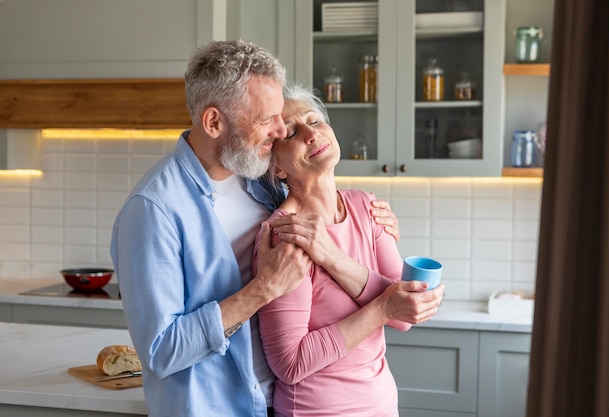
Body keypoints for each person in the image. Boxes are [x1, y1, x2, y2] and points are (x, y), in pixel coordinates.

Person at [109, 40, 401, 417]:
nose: (280, 130)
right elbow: (162, 352)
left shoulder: (260, 181)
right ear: (214, 122)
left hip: (275, 404)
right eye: (267, 119)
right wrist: (263, 289)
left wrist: (373, 221)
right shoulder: (153, 211)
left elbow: (315, 190)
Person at [252, 84, 445, 417]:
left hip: (381, 403)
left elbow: (404, 316)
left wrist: (331, 256)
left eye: (314, 120)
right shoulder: (285, 235)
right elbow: (291, 363)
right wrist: (382, 308)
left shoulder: (367, 207)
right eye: (292, 133)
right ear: (277, 167)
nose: (311, 134)